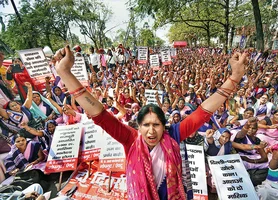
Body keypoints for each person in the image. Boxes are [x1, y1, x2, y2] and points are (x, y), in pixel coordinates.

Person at [54, 45, 248, 199]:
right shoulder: (130, 139)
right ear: (138, 127)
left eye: (156, 125)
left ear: (164, 126)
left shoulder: (174, 134)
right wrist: (64, 73)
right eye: (146, 125)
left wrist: (235, 78)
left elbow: (202, 112)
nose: (151, 131)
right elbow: (99, 113)